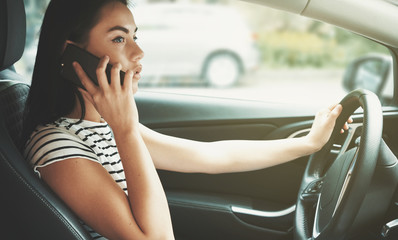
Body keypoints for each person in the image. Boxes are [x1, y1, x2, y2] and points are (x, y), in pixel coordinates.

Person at [21, 0, 352, 239]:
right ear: (70, 53)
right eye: (119, 39)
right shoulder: (56, 145)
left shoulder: (104, 126)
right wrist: (125, 130)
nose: (138, 53)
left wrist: (309, 143)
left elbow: (213, 156)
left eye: (136, 36)